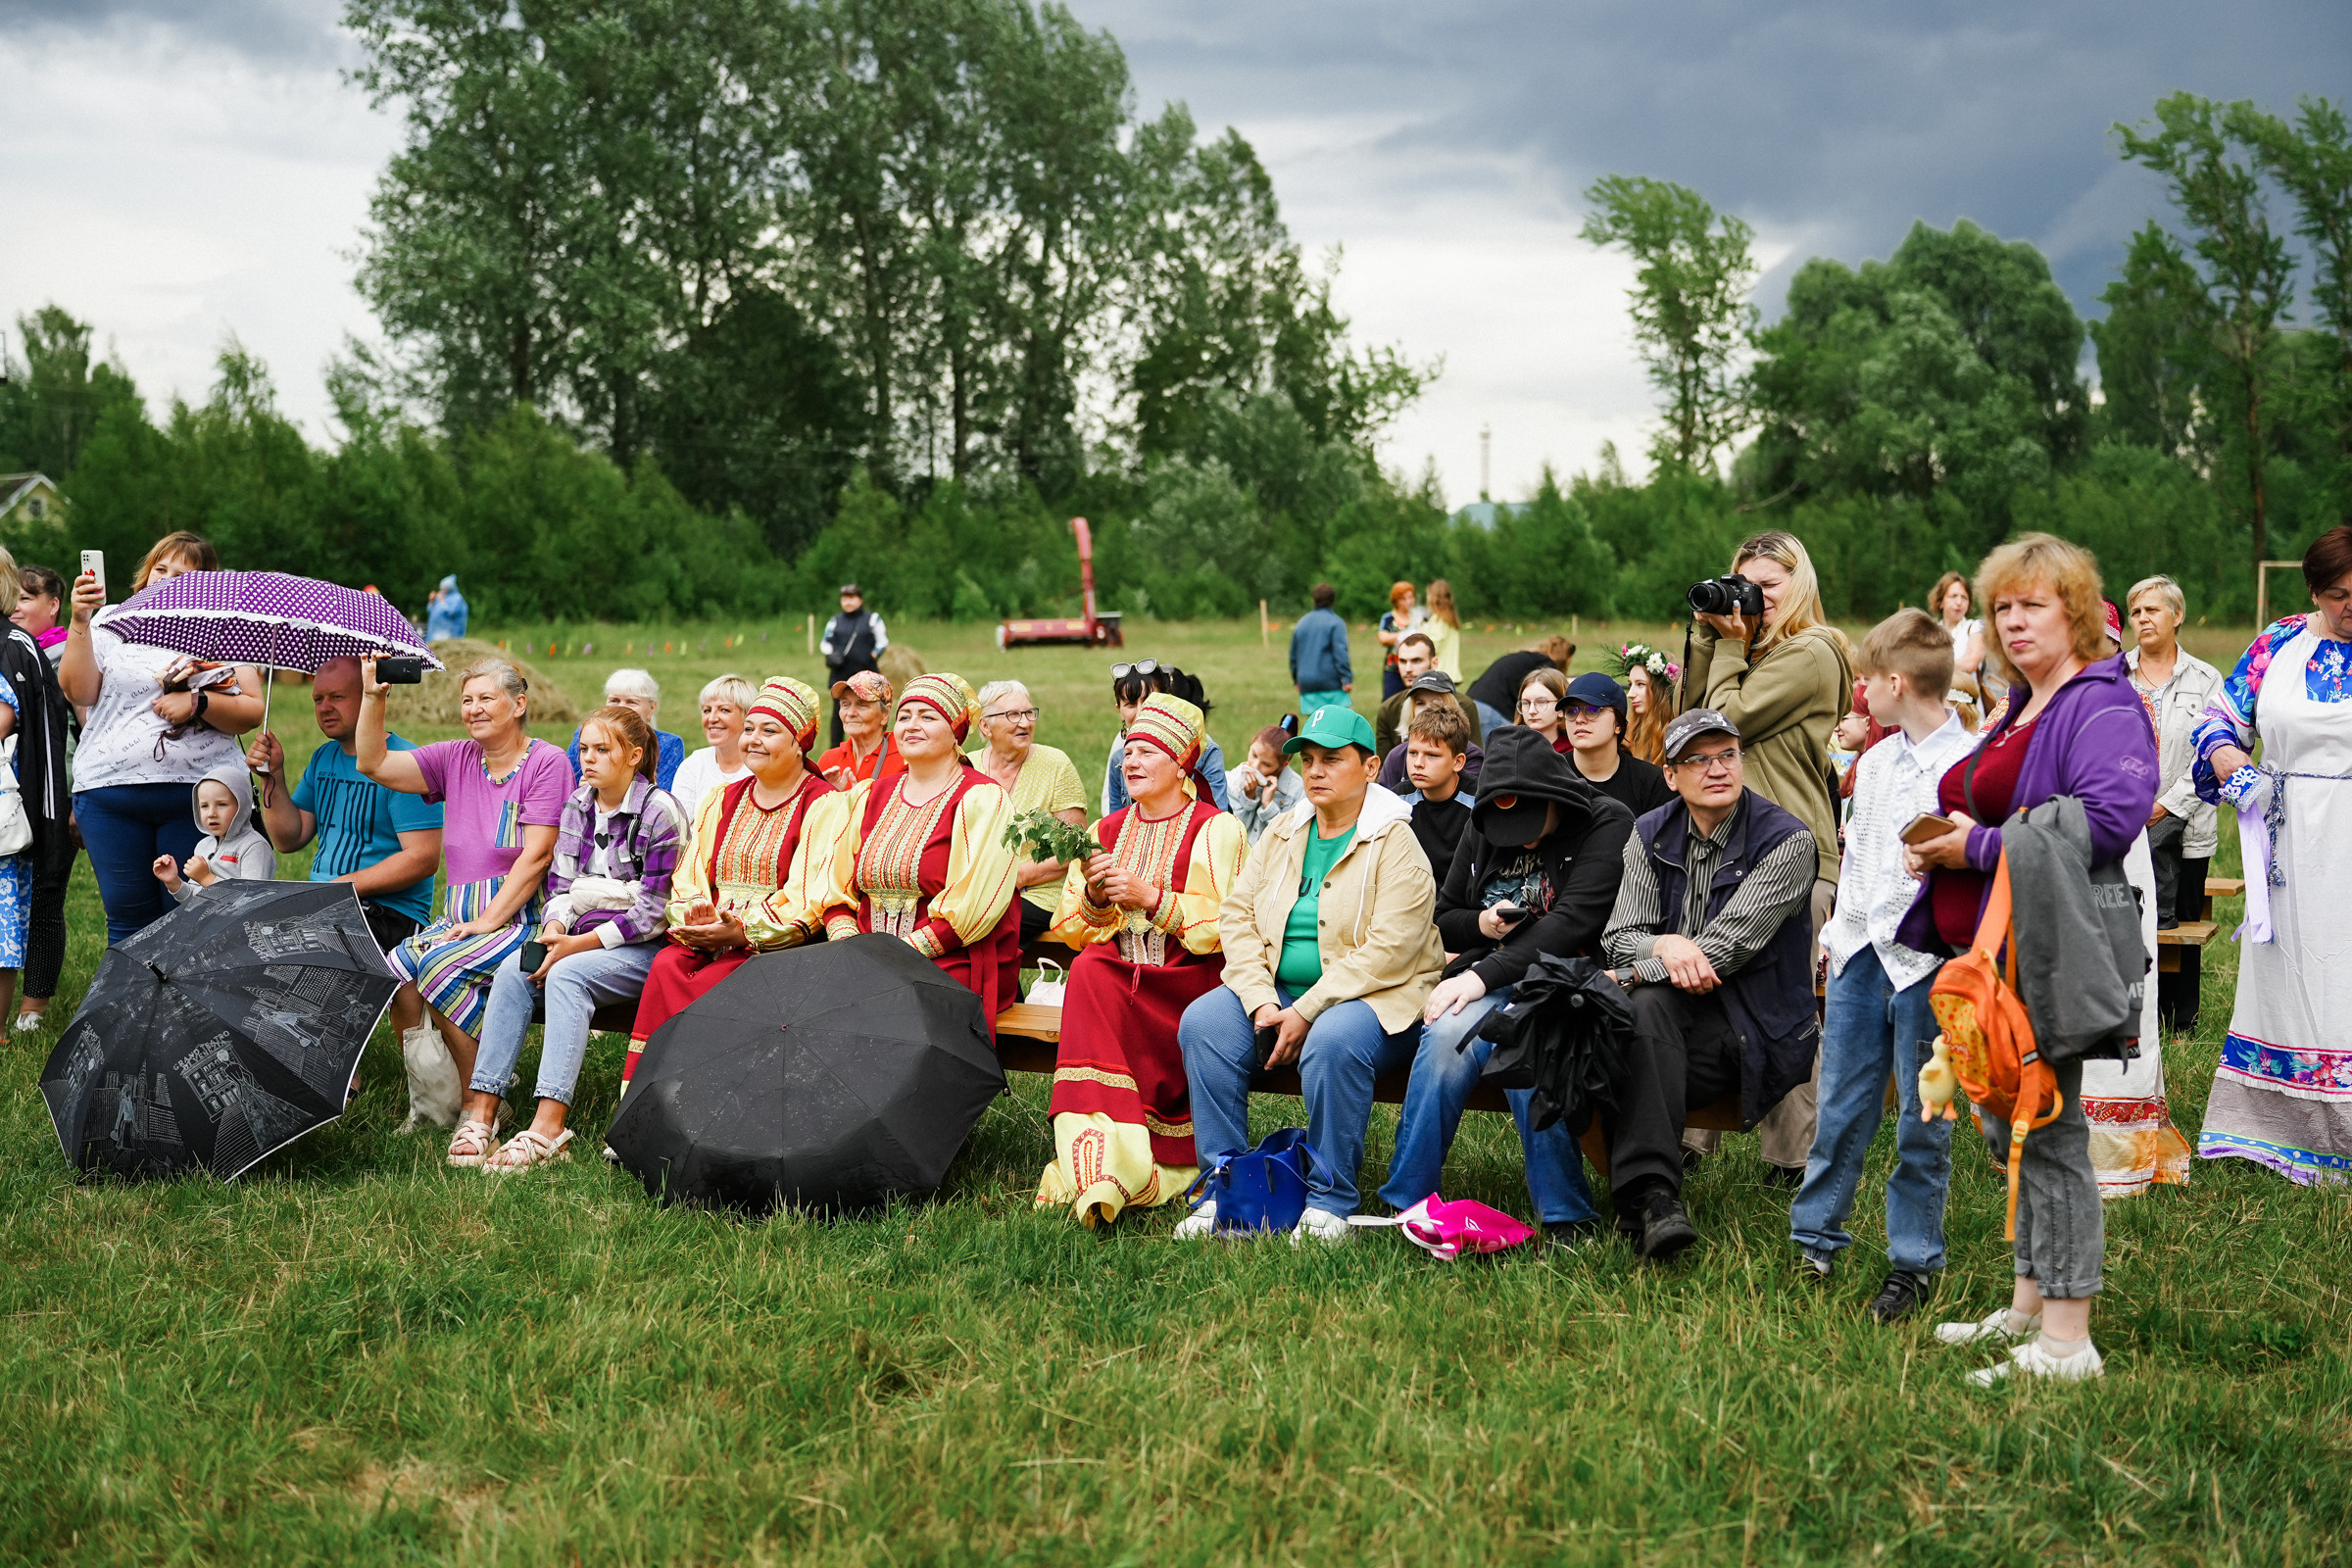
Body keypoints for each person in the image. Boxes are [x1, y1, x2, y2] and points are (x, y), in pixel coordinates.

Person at [1898, 533, 2157, 1384]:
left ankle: (2068, 1340)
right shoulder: (2023, 702)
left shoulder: (2102, 704)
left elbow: (2110, 817)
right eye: (2002, 606)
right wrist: (1937, 843)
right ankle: (2026, 1304)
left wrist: (1972, 848)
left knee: (2048, 1129)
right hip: (1996, 948)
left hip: (2055, 947)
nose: (2012, 621)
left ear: (2076, 613)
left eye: (2032, 604)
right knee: (2010, 1124)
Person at [1176, 706, 1443, 1244]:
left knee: (1333, 1042)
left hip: (1375, 1001)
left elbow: (1390, 950)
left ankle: (1329, 1199)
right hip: (1276, 993)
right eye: (1309, 760)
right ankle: (1226, 1187)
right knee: (1203, 1024)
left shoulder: (1396, 842)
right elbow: (1238, 915)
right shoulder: (1283, 828)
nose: (1316, 771)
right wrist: (1260, 1002)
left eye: (1333, 760)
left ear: (1369, 768)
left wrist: (1305, 1010)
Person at [1790, 610, 1976, 1323]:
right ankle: (1816, 1235)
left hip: (1931, 961)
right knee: (1841, 1104)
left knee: (1923, 1120)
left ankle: (1913, 1260)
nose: (1859, 691)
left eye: (1865, 679)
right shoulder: (1873, 762)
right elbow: (1859, 853)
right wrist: (1838, 938)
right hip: (1862, 956)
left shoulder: (1968, 765)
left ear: (1896, 683)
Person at [1381, 724, 1635, 1242]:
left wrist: (1478, 977)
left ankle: (1564, 1213)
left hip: (1567, 979)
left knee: (1530, 1041)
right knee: (1446, 1035)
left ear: (1554, 797)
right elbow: (1446, 914)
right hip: (1489, 970)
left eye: (1528, 824)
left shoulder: (1606, 821)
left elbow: (1572, 924)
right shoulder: (1485, 817)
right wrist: (1483, 924)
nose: (1517, 836)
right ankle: (1408, 1201)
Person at [1600, 709, 1820, 1263]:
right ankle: (1653, 1199)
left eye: (1727, 755)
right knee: (1627, 1022)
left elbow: (1722, 953)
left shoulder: (1786, 842)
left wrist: (1635, 967)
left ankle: (1634, 1198)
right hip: (1673, 1024)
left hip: (1754, 1029)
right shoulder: (1649, 832)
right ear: (1670, 776)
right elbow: (1620, 934)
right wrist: (1664, 947)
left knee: (1637, 1014)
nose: (1717, 768)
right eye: (1697, 759)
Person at [1035, 695, 1248, 1227]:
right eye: (1128, 750)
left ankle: (1150, 1160)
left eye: (1147, 751)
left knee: (1107, 977)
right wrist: (1099, 899)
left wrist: (1153, 898)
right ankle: (1100, 1160)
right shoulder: (1103, 832)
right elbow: (1070, 928)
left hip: (1185, 984)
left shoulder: (1215, 828)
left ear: (1182, 765)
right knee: (1088, 969)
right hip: (1121, 980)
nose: (1130, 761)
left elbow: (1230, 925)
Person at [1680, 530, 1853, 1179]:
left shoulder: (1813, 652)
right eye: (1745, 585)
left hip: (1788, 852)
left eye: (1769, 587)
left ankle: (1792, 1156)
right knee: (1699, 992)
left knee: (1783, 1005)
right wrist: (1708, 634)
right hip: (1722, 849)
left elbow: (1726, 724)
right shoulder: (1750, 650)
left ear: (1799, 586)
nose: (1756, 599)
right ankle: (1694, 1136)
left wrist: (1729, 643)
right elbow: (1688, 722)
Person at [2190, 522, 2352, 1188]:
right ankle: (2279, 1127)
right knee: (2293, 976)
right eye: (2340, 594)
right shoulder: (2279, 642)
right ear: (2315, 591)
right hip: (2287, 844)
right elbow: (2217, 717)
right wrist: (2230, 759)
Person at [463, 705, 690, 1170]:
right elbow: (561, 889)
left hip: (646, 950)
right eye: (583, 749)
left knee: (566, 978)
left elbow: (653, 912)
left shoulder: (659, 812)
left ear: (634, 755)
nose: (587, 758)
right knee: (515, 970)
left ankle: (551, 1127)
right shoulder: (578, 805)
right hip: (576, 939)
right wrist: (553, 934)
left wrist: (575, 946)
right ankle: (482, 1111)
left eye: (601, 750)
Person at [359, 656, 571, 1103]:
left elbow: (537, 856)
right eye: (467, 700)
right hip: (461, 921)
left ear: (518, 704)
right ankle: (436, 1099)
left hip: (522, 923)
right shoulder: (454, 757)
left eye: (486, 699)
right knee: (397, 972)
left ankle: (484, 1102)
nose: (473, 708)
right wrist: (373, 696)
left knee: (440, 967)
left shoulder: (546, 762)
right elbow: (373, 762)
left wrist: (488, 921)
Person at [625, 677, 839, 1096]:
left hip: (776, 948)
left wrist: (743, 931)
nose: (754, 739)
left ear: (800, 742)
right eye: (751, 728)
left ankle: (707, 1104)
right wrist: (697, 916)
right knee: (669, 966)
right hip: (710, 937)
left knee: (722, 978)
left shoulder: (823, 803)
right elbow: (690, 872)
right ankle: (647, 1102)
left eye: (770, 730)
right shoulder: (723, 797)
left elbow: (811, 892)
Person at [61, 532, 266, 943]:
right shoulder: (110, 620)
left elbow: (251, 711)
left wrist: (198, 702)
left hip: (197, 797)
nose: (166, 580)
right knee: (126, 920)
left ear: (206, 583)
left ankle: (184, 1010)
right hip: (109, 794)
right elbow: (79, 691)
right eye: (160, 569)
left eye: (182, 574)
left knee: (191, 918)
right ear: (146, 572)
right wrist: (80, 622)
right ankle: (131, 1008)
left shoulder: (224, 627)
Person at [817, 673, 1022, 1019]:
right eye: (904, 716)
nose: (912, 725)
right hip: (863, 954)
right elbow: (834, 884)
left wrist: (894, 956)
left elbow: (972, 906)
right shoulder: (870, 795)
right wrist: (849, 943)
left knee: (894, 1007)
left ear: (956, 731)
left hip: (950, 957)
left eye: (927, 717)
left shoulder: (982, 798)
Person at [246, 657, 446, 956]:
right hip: (327, 905)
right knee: (250, 937)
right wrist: (272, 776)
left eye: (337, 697)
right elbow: (289, 838)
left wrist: (341, 887)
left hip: (386, 912)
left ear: (368, 693)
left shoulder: (406, 762)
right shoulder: (324, 758)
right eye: (318, 699)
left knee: (293, 957)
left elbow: (423, 858)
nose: (325, 707)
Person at [2124, 576, 2221, 1031]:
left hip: (2189, 827)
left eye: (2153, 610)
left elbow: (2210, 752)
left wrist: (2164, 807)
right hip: (2123, 828)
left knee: (2181, 927)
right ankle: (2136, 1024)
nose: (2142, 619)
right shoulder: (2113, 676)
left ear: (2177, 616)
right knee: (2125, 925)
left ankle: (2182, 1027)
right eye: (2136, 612)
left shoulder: (2204, 679)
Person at [0, 553, 71, 1036]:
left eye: (32, 597)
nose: (23, 605)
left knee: (33, 905)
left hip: (27, 798)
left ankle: (27, 1011)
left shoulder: (18, 647)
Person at [970, 679, 1089, 945]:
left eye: (1028, 713)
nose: (1025, 723)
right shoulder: (969, 766)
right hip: (977, 892)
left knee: (983, 931)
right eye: (1012, 715)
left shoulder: (1055, 764)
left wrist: (1015, 877)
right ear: (985, 725)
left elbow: (1074, 848)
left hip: (1041, 894)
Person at [1102, 664, 1230, 815]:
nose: (1140, 711)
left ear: (1168, 699)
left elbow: (1217, 820)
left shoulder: (1204, 750)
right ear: (1119, 709)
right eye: (1130, 704)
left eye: (1148, 700)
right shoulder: (1118, 758)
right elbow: (1114, 824)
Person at [151, 763, 275, 900]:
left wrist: (206, 878)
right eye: (204, 806)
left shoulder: (255, 847)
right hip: (211, 921)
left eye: (221, 804)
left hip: (245, 921)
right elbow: (195, 900)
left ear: (242, 805)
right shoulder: (203, 846)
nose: (211, 813)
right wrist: (174, 882)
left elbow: (252, 898)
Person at [1559, 671, 1674, 818]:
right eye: (1571, 711)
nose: (1579, 719)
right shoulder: (1551, 776)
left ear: (1618, 724)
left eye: (1593, 710)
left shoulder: (1653, 783)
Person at [567, 669, 685, 793]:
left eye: (632, 702)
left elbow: (665, 795)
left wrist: (607, 786)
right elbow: (566, 785)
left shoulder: (668, 744)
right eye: (614, 700)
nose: (621, 707)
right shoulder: (585, 735)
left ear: (652, 708)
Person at [1396, 700, 1476, 877]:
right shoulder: (1396, 801)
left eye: (1432, 755)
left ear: (1458, 762)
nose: (1418, 763)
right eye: (1413, 753)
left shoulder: (1479, 802)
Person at [1375, 670, 1484, 793]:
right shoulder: (1396, 756)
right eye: (1420, 703)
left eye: (1436, 703)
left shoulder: (1472, 756)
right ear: (1411, 710)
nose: (1428, 709)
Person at [670, 673, 756, 820]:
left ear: (747, 716)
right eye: (707, 710)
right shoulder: (694, 765)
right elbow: (679, 828)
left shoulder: (761, 767)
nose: (712, 718)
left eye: (724, 710)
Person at [1468, 636, 1573, 743]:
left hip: (1474, 704)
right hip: (1492, 710)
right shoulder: (1546, 664)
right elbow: (1553, 684)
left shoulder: (1524, 657)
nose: (1532, 710)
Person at [820, 583, 888, 746]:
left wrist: (874, 653)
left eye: (852, 597)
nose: (848, 602)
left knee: (872, 709)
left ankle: (878, 744)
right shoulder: (835, 621)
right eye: (845, 598)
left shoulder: (872, 619)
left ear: (860, 599)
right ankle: (835, 748)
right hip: (841, 673)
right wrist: (831, 654)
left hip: (866, 673)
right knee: (839, 712)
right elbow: (825, 642)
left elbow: (882, 640)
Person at [816, 669, 904, 788]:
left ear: (885, 714)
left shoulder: (904, 757)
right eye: (845, 704)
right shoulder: (829, 761)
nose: (851, 713)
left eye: (862, 705)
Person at [1230, 724, 1303, 846]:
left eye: (1267, 764)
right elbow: (1233, 832)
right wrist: (1248, 798)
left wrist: (1268, 805)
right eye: (1254, 755)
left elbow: (1290, 838)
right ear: (1252, 742)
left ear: (1283, 765)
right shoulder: (1235, 779)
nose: (1255, 765)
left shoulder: (1296, 790)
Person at [1290, 583, 1353, 718]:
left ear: (1314, 600)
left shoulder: (1301, 623)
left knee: (1314, 728)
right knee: (1341, 724)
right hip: (1330, 682)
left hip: (1306, 682)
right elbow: (1340, 652)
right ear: (1332, 600)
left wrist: (1296, 679)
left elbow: (1294, 655)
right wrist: (1346, 678)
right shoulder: (1336, 622)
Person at [1374, 632, 1441, 758]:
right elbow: (1382, 767)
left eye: (1416, 661)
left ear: (1434, 663)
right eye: (1403, 661)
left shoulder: (1462, 705)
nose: (1408, 668)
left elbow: (1473, 765)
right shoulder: (1388, 709)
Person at [1620, 646, 1679, 766]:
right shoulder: (1628, 733)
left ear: (1661, 690)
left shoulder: (1677, 737)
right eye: (1630, 685)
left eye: (1640, 684)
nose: (1630, 694)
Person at [1932, 569, 1986, 680]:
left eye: (1964, 598)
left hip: (1967, 696)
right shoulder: (1931, 632)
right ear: (1941, 601)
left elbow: (1971, 663)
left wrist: (1935, 667)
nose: (1959, 603)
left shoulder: (1975, 627)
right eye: (1953, 596)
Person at [1378, 581, 1425, 699]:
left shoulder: (1421, 618)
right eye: (1403, 599)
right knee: (1392, 700)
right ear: (1396, 600)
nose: (1408, 602)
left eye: (1410, 597)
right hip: (1394, 669)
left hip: (1417, 669)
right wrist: (1406, 634)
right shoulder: (1389, 618)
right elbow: (1383, 638)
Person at [1516, 666, 1571, 751]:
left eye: (1541, 702)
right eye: (1525, 703)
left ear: (1561, 708)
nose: (1531, 711)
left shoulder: (1574, 752)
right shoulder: (1509, 746)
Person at [1423, 579, 1463, 681]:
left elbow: (1433, 646)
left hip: (1439, 675)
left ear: (1434, 598)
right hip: (1449, 674)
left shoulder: (1439, 619)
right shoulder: (1449, 619)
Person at [424, 575, 468, 642]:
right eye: (442, 588)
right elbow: (430, 611)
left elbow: (452, 612)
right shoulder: (441, 597)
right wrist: (432, 601)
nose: (442, 590)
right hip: (434, 634)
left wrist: (442, 601)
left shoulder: (457, 598)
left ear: (450, 588)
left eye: (444, 588)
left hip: (450, 634)